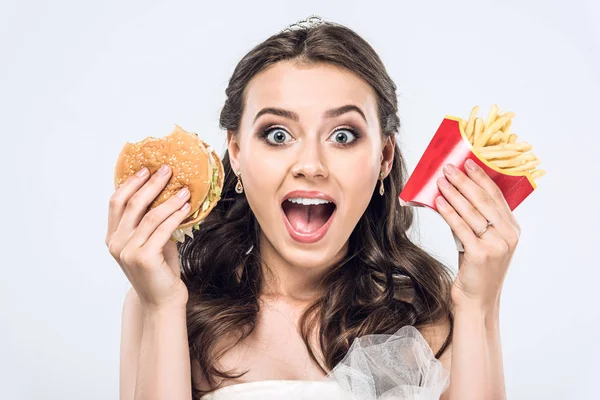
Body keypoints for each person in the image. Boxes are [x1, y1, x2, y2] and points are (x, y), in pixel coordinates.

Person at [107, 15, 517, 400]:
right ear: (235, 151)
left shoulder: (432, 316)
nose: (310, 166)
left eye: (342, 135)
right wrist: (162, 307)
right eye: (278, 134)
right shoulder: (163, 301)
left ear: (385, 157)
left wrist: (481, 306)